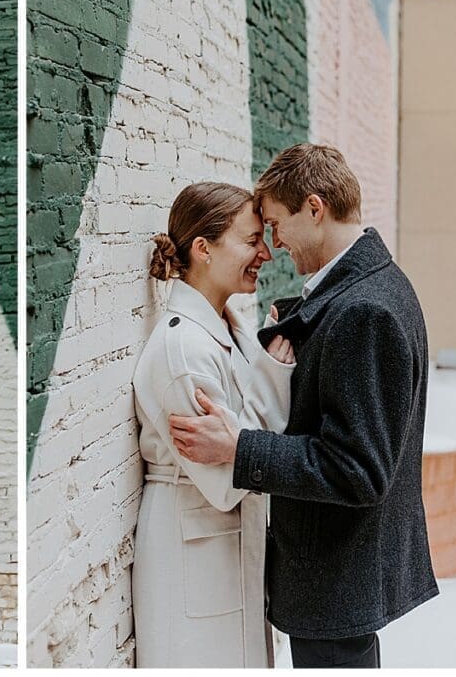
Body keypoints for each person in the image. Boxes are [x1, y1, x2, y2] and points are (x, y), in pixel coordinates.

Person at [170, 144, 439, 668]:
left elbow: (358, 469)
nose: (273, 245)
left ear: (314, 209)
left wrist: (240, 447)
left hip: (336, 579)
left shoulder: (364, 310)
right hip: (340, 579)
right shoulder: (368, 287)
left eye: (275, 225)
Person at [131, 182, 295, 668]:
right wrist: (274, 378)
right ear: (203, 249)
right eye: (250, 240)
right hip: (192, 554)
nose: (265, 252)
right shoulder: (184, 352)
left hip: (228, 552)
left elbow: (245, 442)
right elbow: (226, 482)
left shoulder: (229, 328)